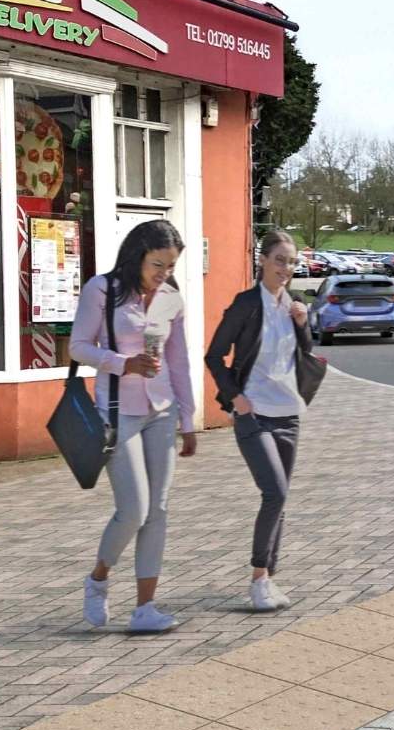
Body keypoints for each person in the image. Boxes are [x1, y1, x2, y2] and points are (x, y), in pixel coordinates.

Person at [70, 219, 197, 634]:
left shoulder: (171, 298)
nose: (164, 274)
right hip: (116, 410)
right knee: (134, 510)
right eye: (158, 264)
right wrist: (124, 363)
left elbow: (178, 360)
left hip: (162, 411)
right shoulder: (101, 290)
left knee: (158, 510)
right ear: (137, 255)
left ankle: (145, 608)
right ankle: (99, 577)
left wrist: (188, 419)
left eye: (171, 266)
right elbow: (78, 346)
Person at [206, 230, 323, 612]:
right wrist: (233, 397)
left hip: (289, 412)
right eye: (279, 260)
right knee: (275, 492)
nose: (286, 269)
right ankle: (258, 579)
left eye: (291, 262)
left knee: (280, 499)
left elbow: (303, 354)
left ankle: (268, 577)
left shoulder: (294, 304)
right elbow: (214, 356)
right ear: (262, 261)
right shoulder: (245, 305)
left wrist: (303, 323)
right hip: (253, 413)